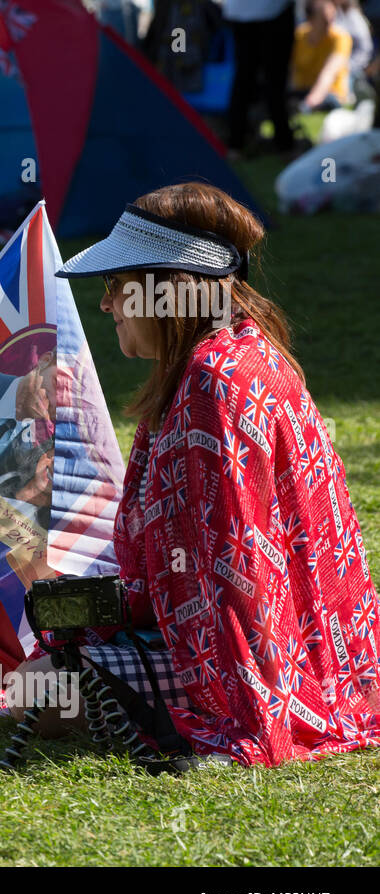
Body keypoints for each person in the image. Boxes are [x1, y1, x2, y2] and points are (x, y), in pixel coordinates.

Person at [35, 182, 380, 766]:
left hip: (259, 671)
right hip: (314, 660)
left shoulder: (212, 383)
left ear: (164, 291)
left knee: (42, 692)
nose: (105, 305)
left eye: (115, 286)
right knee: (44, 664)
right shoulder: (241, 352)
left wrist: (249, 725)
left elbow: (236, 572)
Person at [223, 0, 297, 155]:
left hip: (241, 12)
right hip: (272, 11)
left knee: (244, 78)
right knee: (274, 81)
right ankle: (284, 144)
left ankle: (236, 143)